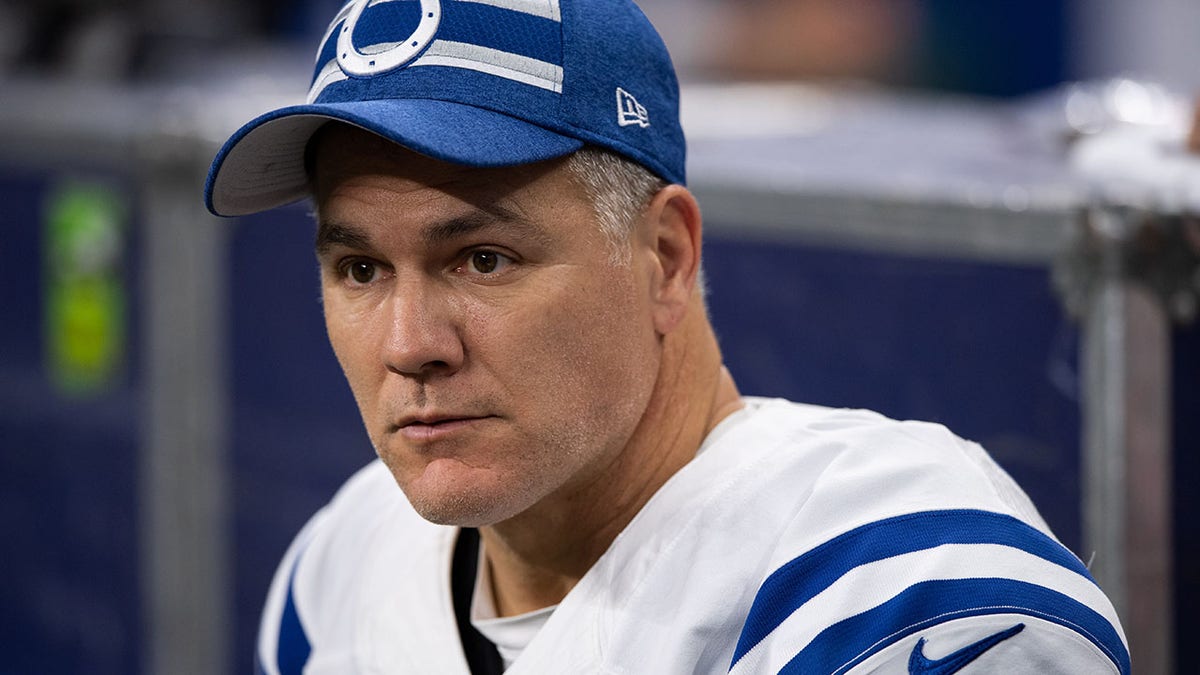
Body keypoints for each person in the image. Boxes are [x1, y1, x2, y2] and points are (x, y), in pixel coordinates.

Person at [205, 1, 1129, 673]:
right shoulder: (344, 562)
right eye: (360, 269)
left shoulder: (904, 590)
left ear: (665, 254)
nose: (410, 344)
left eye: (482, 258)